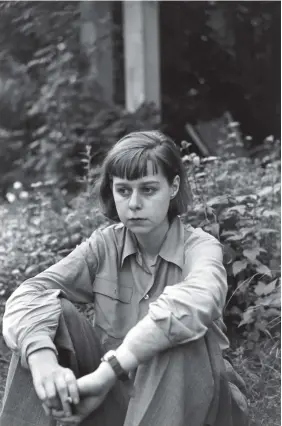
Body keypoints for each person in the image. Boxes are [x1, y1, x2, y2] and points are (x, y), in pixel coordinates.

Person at [0, 131, 248, 426]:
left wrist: (111, 369)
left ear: (173, 187)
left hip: (198, 406)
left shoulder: (201, 247)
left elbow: (197, 302)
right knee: (47, 315)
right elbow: (30, 293)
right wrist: (42, 360)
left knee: (178, 330)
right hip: (118, 400)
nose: (133, 203)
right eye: (124, 190)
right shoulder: (103, 246)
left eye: (148, 189)